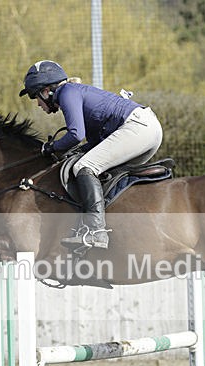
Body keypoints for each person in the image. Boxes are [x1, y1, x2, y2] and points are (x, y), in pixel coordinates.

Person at [19, 60, 163, 250]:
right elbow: (93, 143)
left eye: (35, 97)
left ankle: (96, 231)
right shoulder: (74, 93)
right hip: (148, 129)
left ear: (46, 91)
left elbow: (75, 135)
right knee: (100, 172)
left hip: (138, 128)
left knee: (84, 167)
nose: (37, 104)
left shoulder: (67, 93)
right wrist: (71, 151)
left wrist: (50, 147)